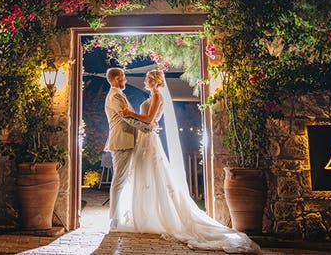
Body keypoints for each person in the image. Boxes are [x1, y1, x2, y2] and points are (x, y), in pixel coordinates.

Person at [118, 69, 261, 253]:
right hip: (145, 138)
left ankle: (156, 216)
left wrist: (129, 113)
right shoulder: (153, 96)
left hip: (149, 140)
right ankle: (146, 215)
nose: (145, 80)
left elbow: (149, 118)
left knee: (152, 174)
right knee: (145, 175)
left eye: (147, 78)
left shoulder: (157, 96)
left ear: (154, 81)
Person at [103, 67, 136, 230]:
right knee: (119, 179)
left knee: (125, 179)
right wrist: (147, 127)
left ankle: (124, 214)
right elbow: (127, 116)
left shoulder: (117, 94)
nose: (125, 79)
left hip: (126, 140)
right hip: (122, 141)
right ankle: (114, 220)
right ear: (116, 79)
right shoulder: (115, 95)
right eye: (123, 76)